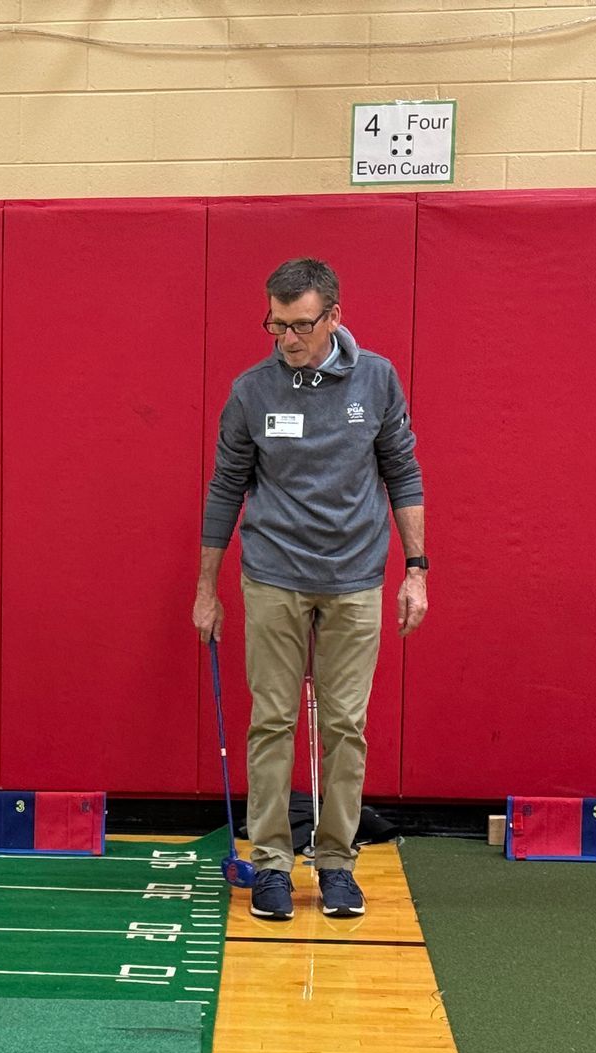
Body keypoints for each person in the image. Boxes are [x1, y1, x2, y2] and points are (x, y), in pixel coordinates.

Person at [193, 257, 427, 922]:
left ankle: (336, 865)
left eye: (299, 325)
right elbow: (224, 489)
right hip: (273, 576)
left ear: (333, 318)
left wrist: (417, 568)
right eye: (275, 324)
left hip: (355, 579)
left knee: (346, 726)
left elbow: (403, 473)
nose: (286, 338)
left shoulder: (377, 380)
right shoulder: (251, 391)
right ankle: (269, 864)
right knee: (273, 722)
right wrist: (207, 589)